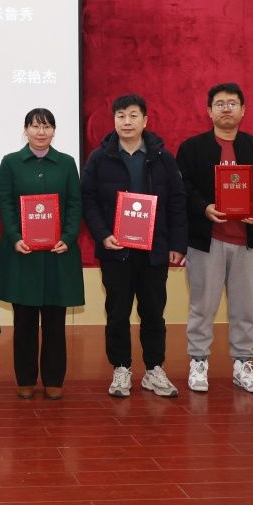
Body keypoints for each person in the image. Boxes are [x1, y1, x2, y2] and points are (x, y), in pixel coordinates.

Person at [81, 94, 187, 399]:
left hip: (155, 251)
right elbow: (88, 199)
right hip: (116, 251)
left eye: (133, 116)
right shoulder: (99, 158)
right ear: (114, 120)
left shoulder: (162, 157)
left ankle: (154, 369)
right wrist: (103, 235)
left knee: (153, 312)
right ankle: (121, 368)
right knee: (117, 312)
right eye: (121, 116)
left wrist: (177, 243)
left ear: (145, 120)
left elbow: (177, 201)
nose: (126, 122)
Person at [175, 83, 253, 394]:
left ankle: (243, 364)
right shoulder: (192, 148)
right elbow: (183, 188)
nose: (226, 108)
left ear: (243, 110)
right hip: (206, 241)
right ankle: (198, 361)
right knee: (202, 306)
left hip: (246, 242)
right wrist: (204, 208)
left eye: (232, 103)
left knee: (245, 307)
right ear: (209, 111)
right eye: (219, 104)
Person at [0, 108, 84, 400]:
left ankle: (54, 380)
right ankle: (25, 380)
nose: (41, 132)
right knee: (24, 323)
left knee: (56, 323)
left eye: (47, 126)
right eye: (35, 126)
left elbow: (75, 204)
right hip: (23, 253)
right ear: (26, 130)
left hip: (59, 254)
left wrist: (68, 237)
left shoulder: (67, 163)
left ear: (54, 131)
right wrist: (15, 237)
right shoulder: (10, 162)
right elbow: (5, 204)